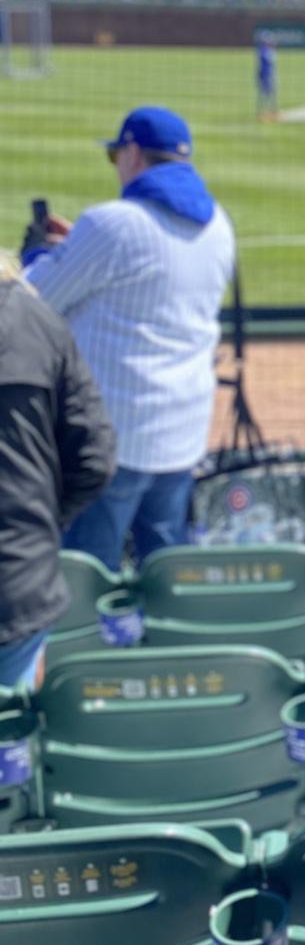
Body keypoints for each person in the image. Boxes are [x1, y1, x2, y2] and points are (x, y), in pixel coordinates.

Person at [24, 107, 237, 570]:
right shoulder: (219, 224)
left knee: (85, 574)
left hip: (111, 438)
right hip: (182, 432)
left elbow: (36, 296)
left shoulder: (113, 223)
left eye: (117, 154)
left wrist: (38, 252)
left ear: (135, 153)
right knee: (168, 575)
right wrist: (78, 246)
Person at [0, 249, 116, 689]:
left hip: (19, 581)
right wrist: (37, 525)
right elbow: (95, 459)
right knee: (12, 738)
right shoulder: (36, 319)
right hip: (18, 584)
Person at [255, 32, 278, 119]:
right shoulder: (264, 51)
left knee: (271, 93)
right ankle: (263, 111)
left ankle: (271, 110)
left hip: (268, 74)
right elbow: (269, 62)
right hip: (266, 75)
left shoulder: (267, 50)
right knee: (265, 94)